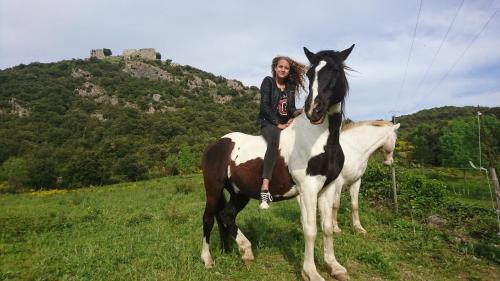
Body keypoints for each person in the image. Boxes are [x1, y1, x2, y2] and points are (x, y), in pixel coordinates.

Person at [257, 56, 306, 209]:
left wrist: (299, 112)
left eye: (286, 68)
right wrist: (278, 123)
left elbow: (290, 109)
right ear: (275, 68)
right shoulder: (268, 82)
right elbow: (265, 106)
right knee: (274, 139)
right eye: (281, 67)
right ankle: (265, 186)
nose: (283, 70)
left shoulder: (290, 87)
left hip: (284, 124)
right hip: (268, 123)